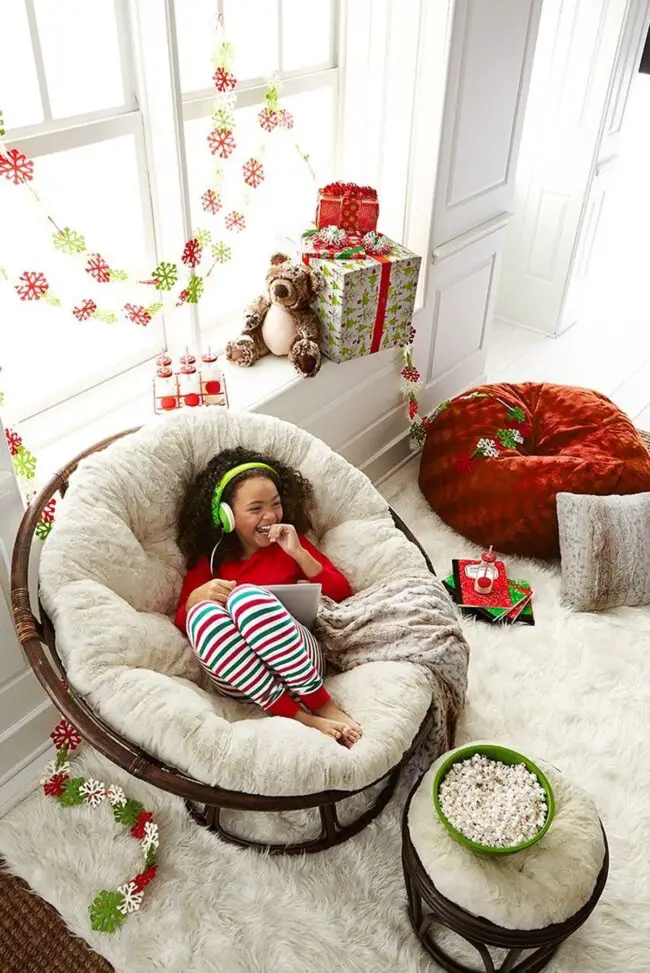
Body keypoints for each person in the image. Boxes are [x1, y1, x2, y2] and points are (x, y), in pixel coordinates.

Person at [175, 446, 361, 747]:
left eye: (275, 504)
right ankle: (297, 716)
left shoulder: (292, 545)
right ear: (227, 516)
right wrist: (198, 596)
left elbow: (341, 593)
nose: (270, 515)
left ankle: (321, 705)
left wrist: (300, 555)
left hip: (300, 662)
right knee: (204, 613)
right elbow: (184, 623)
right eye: (255, 508)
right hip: (242, 678)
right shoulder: (210, 562)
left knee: (245, 598)